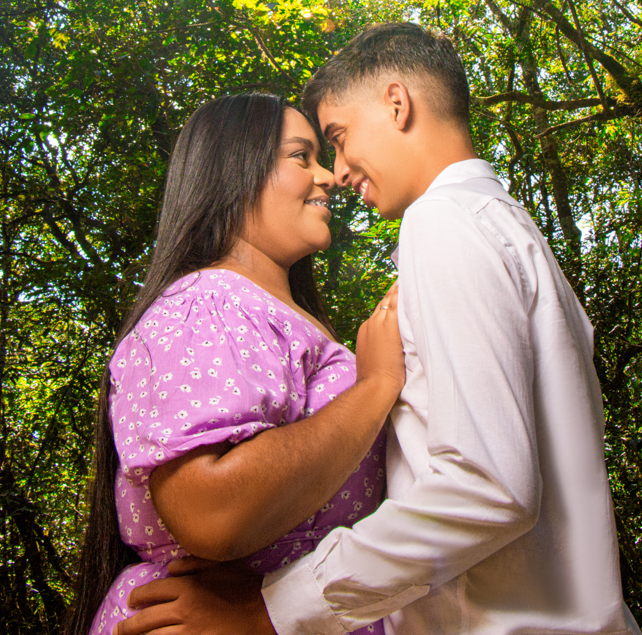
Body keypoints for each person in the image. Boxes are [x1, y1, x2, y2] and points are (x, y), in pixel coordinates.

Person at [115, 23, 641, 635]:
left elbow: (488, 485)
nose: (335, 173)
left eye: (335, 141)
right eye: (308, 154)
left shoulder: (443, 221)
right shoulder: (509, 232)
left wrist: (275, 608)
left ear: (397, 103)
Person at [64, 92, 404, 635]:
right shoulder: (209, 303)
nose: (329, 177)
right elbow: (212, 513)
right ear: (235, 172)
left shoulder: (264, 314)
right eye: (302, 156)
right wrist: (377, 385)